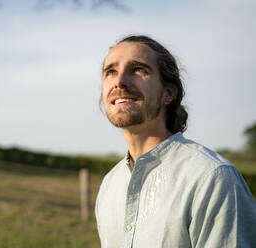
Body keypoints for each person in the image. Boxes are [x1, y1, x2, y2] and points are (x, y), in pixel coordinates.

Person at [95, 35, 256, 248]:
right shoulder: (109, 185)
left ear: (168, 93)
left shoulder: (212, 178)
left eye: (138, 69)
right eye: (111, 72)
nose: (119, 81)